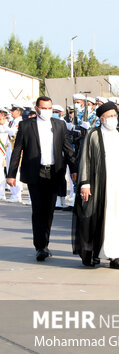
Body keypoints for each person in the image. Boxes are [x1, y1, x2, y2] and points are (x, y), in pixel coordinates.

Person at [6, 96, 77, 261]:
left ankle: (44, 241)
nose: (47, 111)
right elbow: (18, 150)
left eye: (49, 108)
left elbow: (68, 149)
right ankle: (40, 247)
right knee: (38, 210)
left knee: (49, 211)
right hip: (35, 173)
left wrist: (75, 169)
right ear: (37, 108)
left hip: (54, 172)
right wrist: (11, 174)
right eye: (43, 108)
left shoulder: (59, 125)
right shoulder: (26, 125)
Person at [73, 101, 119, 269]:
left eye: (115, 116)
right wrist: (85, 183)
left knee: (117, 219)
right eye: (110, 117)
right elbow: (85, 159)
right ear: (101, 119)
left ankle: (115, 256)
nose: (113, 119)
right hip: (99, 184)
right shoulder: (93, 134)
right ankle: (94, 254)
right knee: (96, 218)